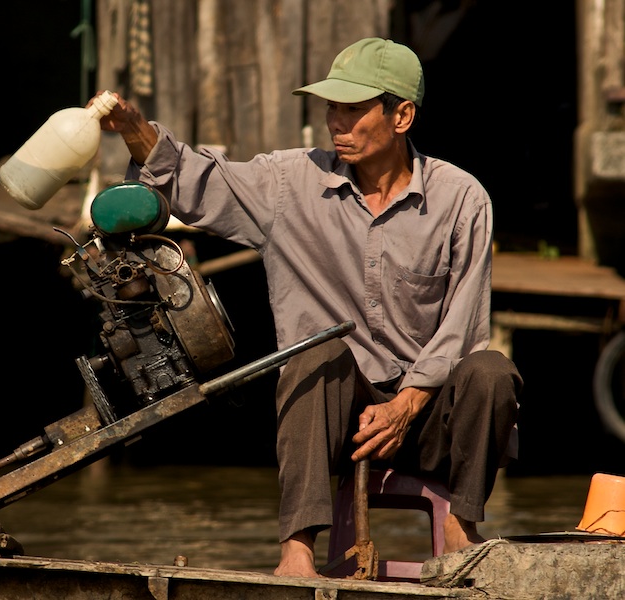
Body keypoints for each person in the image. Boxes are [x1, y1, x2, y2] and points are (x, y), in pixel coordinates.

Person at [90, 37, 522, 578]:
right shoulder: (288, 181)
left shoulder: (462, 198)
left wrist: (407, 404)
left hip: (429, 418)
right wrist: (135, 130)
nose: (337, 123)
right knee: (313, 357)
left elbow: (463, 327)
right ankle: (296, 552)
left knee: (491, 372)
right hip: (334, 427)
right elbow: (196, 181)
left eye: (354, 109)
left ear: (402, 115)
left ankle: (462, 527)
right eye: (331, 108)